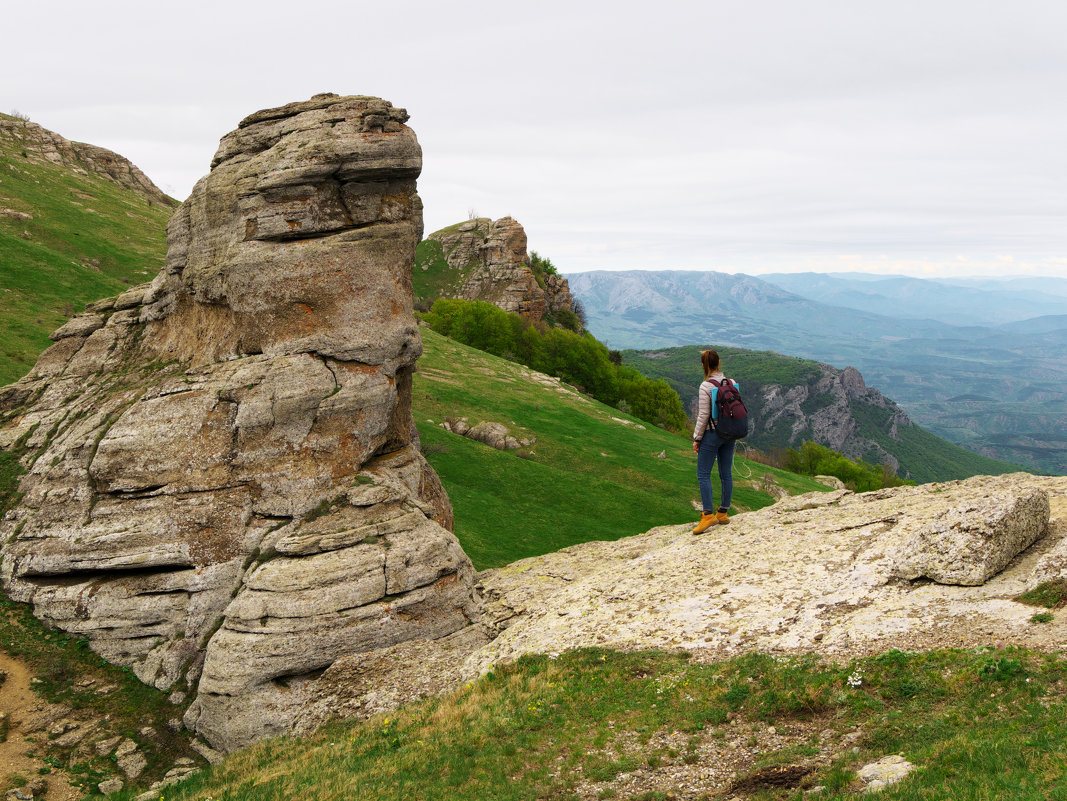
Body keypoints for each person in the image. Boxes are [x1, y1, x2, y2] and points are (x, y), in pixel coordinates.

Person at [691, 349, 736, 534]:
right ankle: (723, 513)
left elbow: (703, 415)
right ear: (719, 363)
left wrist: (696, 438)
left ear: (705, 365)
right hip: (730, 432)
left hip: (712, 434)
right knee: (726, 473)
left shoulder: (705, 387)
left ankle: (708, 515)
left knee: (703, 474)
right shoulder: (731, 382)